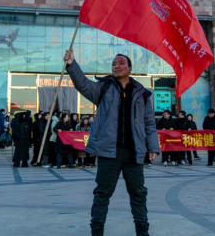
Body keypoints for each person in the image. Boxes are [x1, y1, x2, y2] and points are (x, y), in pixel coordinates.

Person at [65, 49, 159, 236]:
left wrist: (152, 146)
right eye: (114, 64)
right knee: (102, 193)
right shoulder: (104, 88)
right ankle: (97, 231)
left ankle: (142, 231)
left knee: (138, 193)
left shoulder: (143, 94)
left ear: (130, 68)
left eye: (121, 63)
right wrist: (71, 65)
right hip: (109, 152)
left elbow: (149, 123)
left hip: (134, 152)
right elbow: (83, 84)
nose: (117, 66)